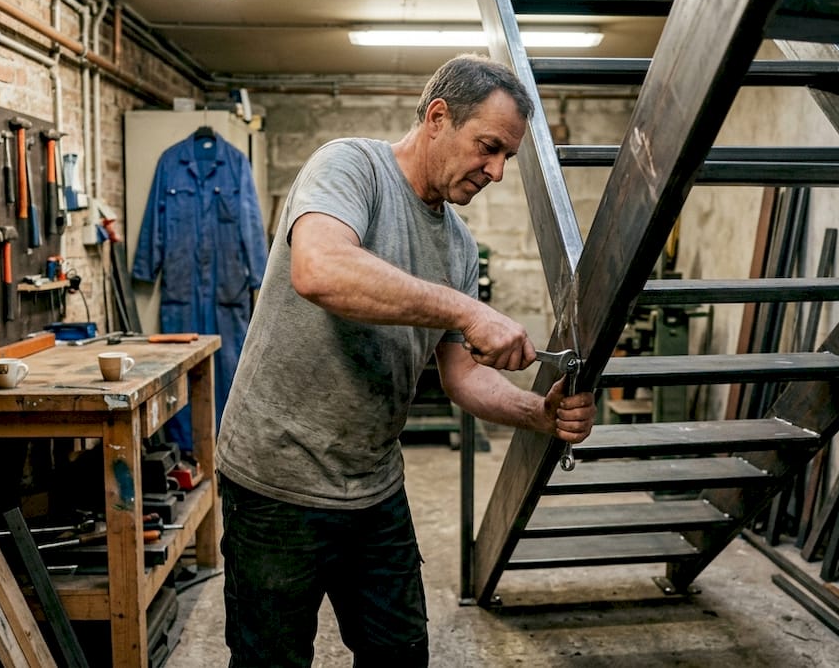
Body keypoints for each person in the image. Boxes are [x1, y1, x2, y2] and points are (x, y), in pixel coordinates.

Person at [214, 53, 597, 667]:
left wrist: (538, 413)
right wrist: (467, 311)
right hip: (276, 481)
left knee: (400, 653)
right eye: (489, 148)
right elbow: (320, 269)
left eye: (507, 156)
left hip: (373, 486)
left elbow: (461, 375)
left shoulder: (459, 247)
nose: (497, 172)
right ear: (438, 118)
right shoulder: (351, 166)